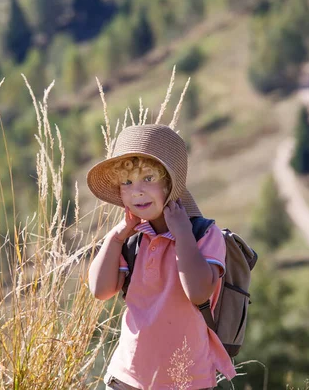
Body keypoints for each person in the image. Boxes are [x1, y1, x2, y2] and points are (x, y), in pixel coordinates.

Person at [86, 124, 236, 390]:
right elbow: (100, 290)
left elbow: (199, 293)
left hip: (188, 381)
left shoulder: (204, 234)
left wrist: (182, 235)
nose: (137, 191)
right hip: (127, 378)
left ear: (171, 184)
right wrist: (116, 237)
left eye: (149, 179)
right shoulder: (132, 239)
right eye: (127, 183)